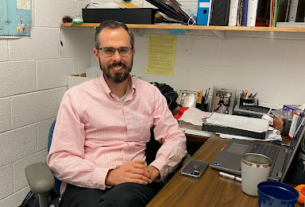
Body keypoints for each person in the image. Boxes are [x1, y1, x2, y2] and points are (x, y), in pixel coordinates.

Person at [47, 20, 187, 207]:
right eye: (109, 51)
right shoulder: (76, 97)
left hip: (133, 185)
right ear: (97, 54)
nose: (117, 58)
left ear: (133, 52)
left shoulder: (150, 94)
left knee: (123, 201)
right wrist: (109, 175)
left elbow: (175, 137)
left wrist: (156, 168)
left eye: (123, 50)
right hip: (86, 182)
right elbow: (59, 159)